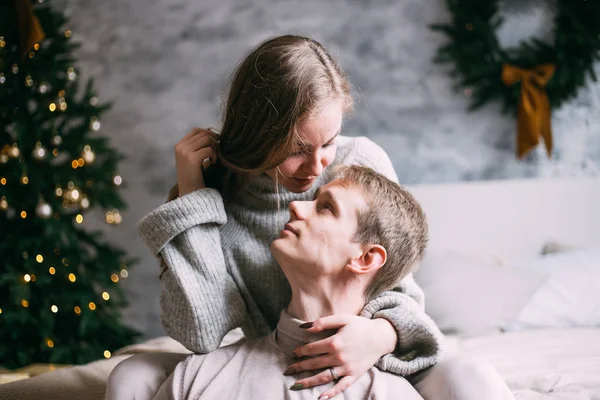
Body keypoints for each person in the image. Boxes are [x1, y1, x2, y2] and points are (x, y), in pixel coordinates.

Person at [106, 34, 514, 400]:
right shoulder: (217, 197)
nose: (316, 167)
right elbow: (200, 334)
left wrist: (378, 335)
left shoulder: (360, 164)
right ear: (260, 134)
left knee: (467, 378)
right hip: (274, 351)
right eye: (297, 148)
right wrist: (194, 197)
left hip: (369, 351)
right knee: (130, 375)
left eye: (330, 142)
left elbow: (401, 288)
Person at [152, 164, 433, 399]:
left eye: (326, 207)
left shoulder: (389, 394)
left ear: (366, 258)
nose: (295, 205)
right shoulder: (195, 377)